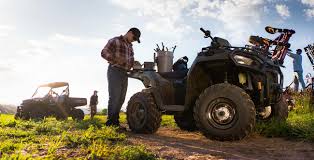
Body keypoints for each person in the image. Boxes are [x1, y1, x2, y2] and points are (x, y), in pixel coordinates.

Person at [101, 27, 141, 126]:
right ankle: (110, 123)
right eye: (134, 38)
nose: (134, 40)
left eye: (136, 40)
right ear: (129, 32)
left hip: (125, 73)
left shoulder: (130, 47)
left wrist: (135, 64)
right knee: (114, 97)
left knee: (121, 98)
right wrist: (115, 59)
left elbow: (130, 62)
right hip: (114, 71)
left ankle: (115, 122)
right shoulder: (115, 40)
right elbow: (104, 52)